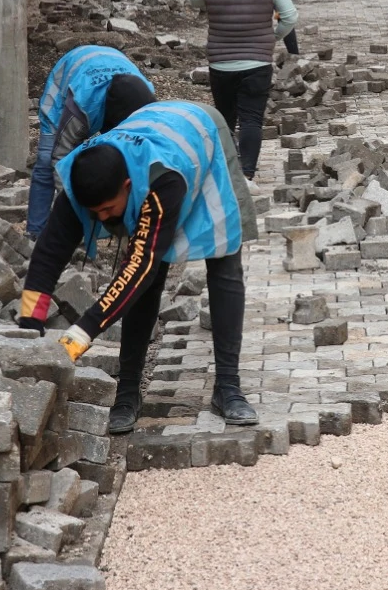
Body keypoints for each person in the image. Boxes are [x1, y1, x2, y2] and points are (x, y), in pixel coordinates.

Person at [17, 101, 259, 434]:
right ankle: (128, 392)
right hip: (153, 130)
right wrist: (29, 328)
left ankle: (228, 387)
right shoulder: (82, 182)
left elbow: (138, 268)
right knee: (146, 276)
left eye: (107, 209)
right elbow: (47, 255)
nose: (103, 219)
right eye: (94, 213)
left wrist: (78, 335)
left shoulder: (163, 181)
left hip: (202, 140)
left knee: (223, 261)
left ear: (128, 188)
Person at [189, 0, 298, 180]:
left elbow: (193, 1)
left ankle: (228, 171)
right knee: (251, 120)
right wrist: (273, 37)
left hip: (221, 65)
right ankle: (247, 175)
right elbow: (290, 17)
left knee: (225, 120)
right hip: (257, 64)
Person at [28, 46, 156, 236]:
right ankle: (35, 231)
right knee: (46, 162)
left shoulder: (145, 100)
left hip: (108, 67)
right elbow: (61, 156)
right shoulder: (81, 106)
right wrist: (81, 206)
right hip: (64, 91)